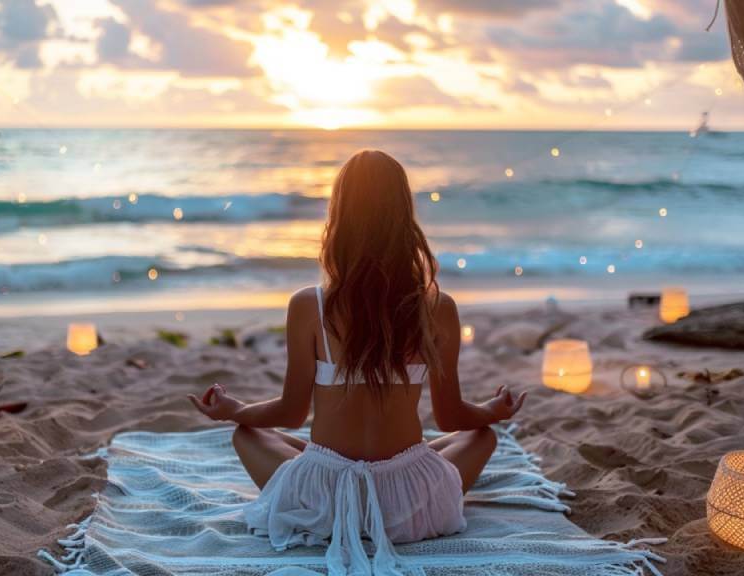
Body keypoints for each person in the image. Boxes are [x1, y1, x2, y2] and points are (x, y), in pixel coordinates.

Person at [188, 149, 526, 574]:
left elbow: (291, 413)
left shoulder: (309, 305)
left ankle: (334, 481)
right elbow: (452, 414)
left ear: (338, 216)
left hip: (322, 506)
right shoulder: (438, 309)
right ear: (404, 217)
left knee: (246, 435)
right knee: (482, 438)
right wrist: (492, 412)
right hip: (410, 510)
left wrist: (234, 410)